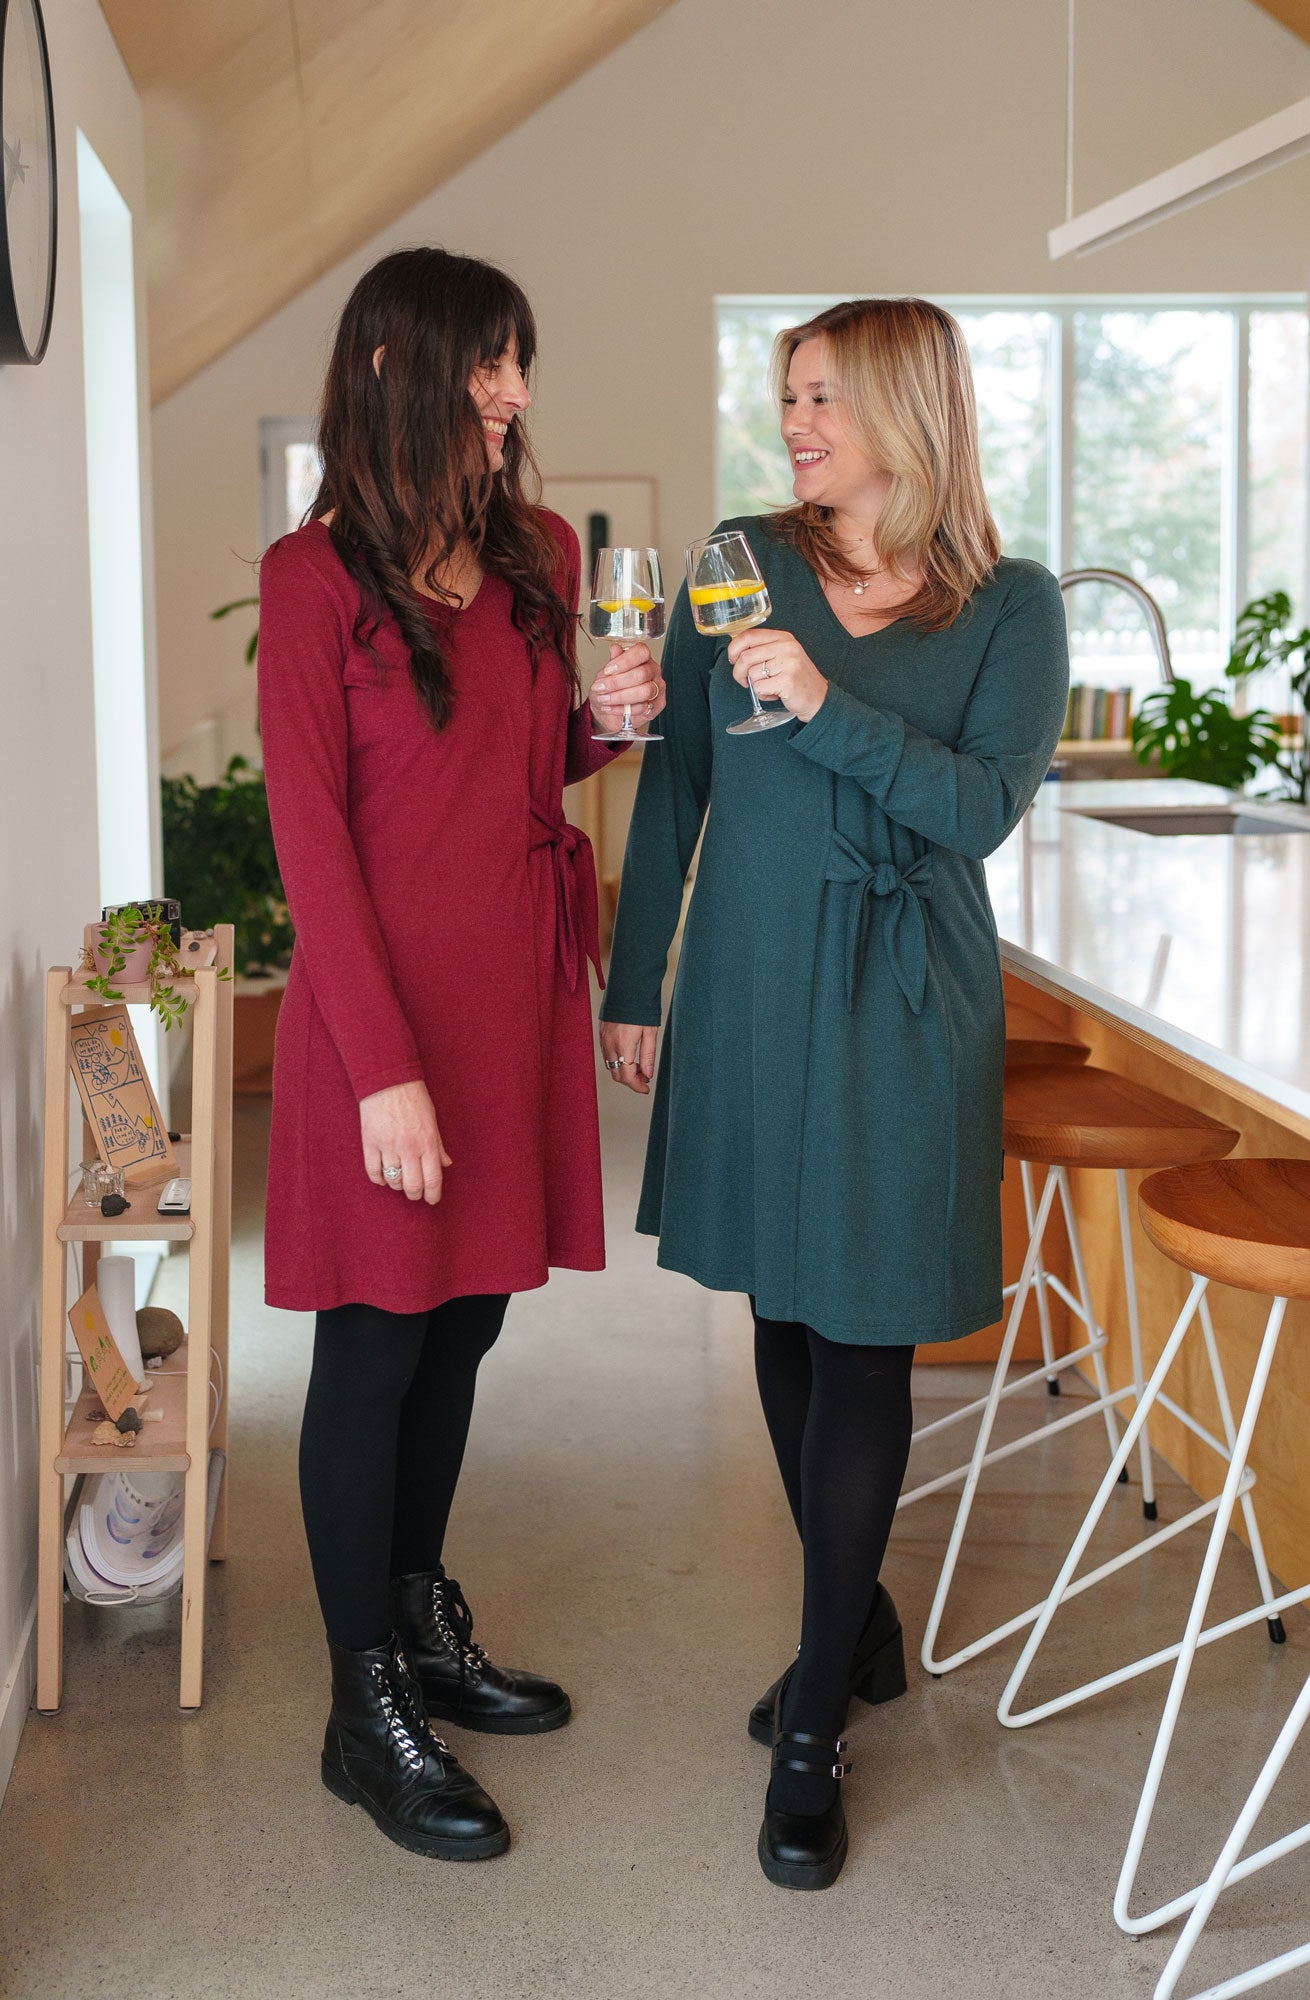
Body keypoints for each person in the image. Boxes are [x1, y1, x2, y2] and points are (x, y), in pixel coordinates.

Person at [600, 297, 1069, 1890]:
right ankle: (851, 1616)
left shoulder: (1011, 605)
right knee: (787, 1325)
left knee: (862, 1330)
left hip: (901, 990)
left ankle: (812, 1729)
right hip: (744, 980)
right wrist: (631, 976)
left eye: (818, 396)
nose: (791, 421)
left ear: (902, 407)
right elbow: (677, 774)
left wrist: (824, 701)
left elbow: (981, 810)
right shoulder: (739, 553)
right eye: (784, 393)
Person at [257, 246, 666, 1862]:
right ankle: (364, 1710)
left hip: (512, 1014)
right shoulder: (311, 583)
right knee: (371, 1351)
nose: (512, 396)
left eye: (519, 366)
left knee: (463, 1331)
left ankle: (420, 1625)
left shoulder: (541, 555)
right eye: (488, 364)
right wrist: (382, 1074)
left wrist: (611, 719)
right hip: (386, 1031)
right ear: (394, 372)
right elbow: (314, 839)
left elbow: (532, 760)